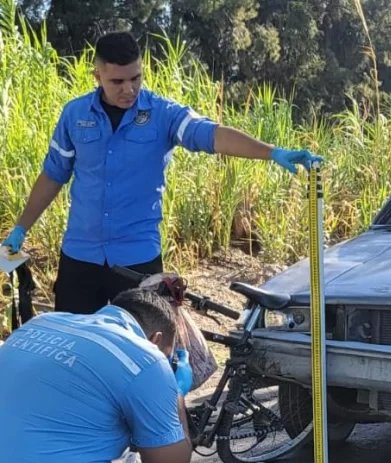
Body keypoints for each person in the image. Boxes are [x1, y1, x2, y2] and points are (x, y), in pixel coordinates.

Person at [0, 31, 322, 315]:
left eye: (136, 78)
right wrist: (20, 229)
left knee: (143, 355)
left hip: (137, 260)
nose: (129, 89)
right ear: (97, 75)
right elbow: (54, 174)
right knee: (76, 354)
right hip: (80, 257)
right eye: (117, 81)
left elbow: (211, 134)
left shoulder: (163, 114)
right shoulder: (75, 114)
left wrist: (271, 152)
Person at [0, 288, 204, 463]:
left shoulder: (41, 325)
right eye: (167, 355)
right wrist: (176, 394)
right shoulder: (146, 357)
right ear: (155, 339)